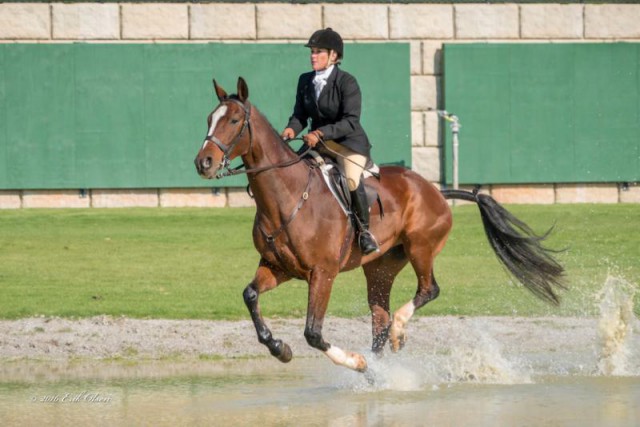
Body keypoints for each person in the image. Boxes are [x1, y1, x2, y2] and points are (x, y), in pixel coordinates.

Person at [281, 28, 379, 255]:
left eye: (318, 52)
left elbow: (351, 121)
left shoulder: (347, 82)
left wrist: (320, 133)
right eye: (312, 52)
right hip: (319, 145)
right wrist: (289, 129)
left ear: (333, 55)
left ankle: (364, 232)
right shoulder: (305, 80)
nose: (313, 56)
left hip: (348, 144)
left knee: (352, 180)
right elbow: (299, 116)